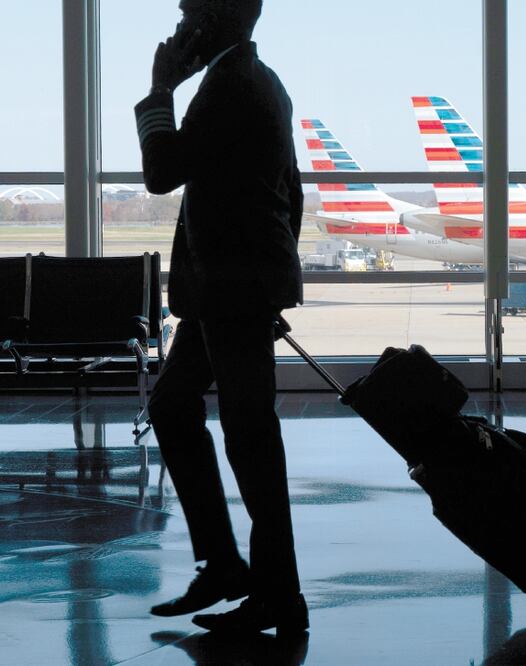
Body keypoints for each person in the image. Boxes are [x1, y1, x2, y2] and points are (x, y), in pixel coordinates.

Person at [138, 0, 308, 635]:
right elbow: (291, 192)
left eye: (189, 10)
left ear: (214, 19)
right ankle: (227, 567)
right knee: (181, 411)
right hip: (230, 290)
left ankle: (276, 596)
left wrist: (159, 87)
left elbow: (160, 173)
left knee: (250, 441)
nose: (180, 20)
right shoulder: (257, 81)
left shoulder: (229, 87)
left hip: (229, 292)